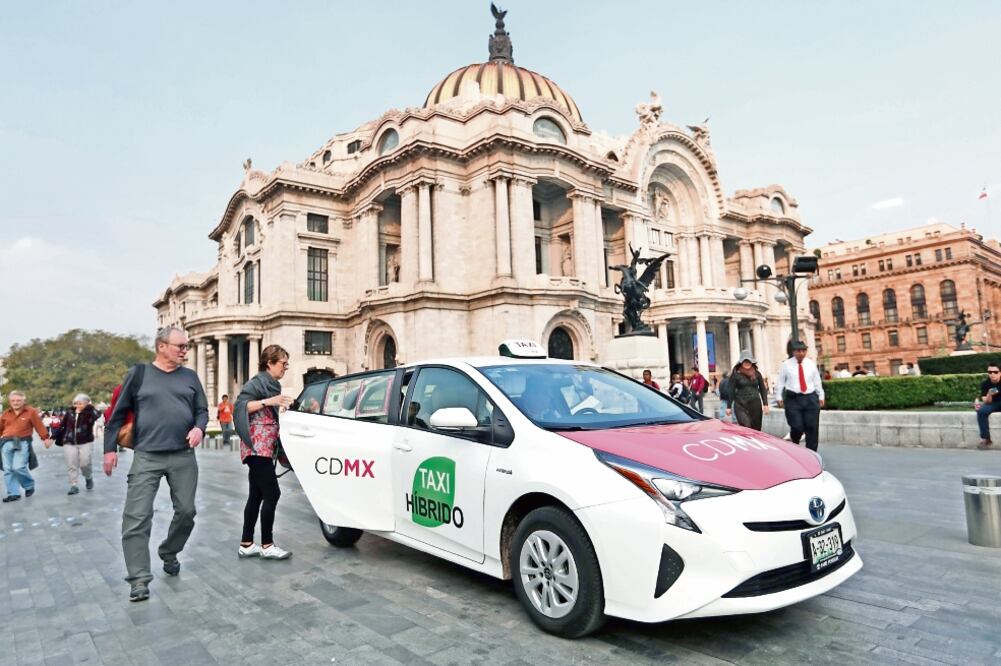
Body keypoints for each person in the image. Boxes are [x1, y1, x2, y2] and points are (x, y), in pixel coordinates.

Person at [103, 326, 208, 602]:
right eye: (180, 346)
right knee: (136, 517)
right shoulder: (139, 374)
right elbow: (117, 414)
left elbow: (201, 410)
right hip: (147, 455)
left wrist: (199, 428)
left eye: (186, 346)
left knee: (186, 511)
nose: (185, 350)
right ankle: (138, 579)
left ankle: (169, 551)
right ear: (162, 346)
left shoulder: (190, 377)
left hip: (183, 455)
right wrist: (109, 450)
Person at [234, 345, 295, 560]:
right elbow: (240, 406)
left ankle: (247, 543)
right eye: (282, 364)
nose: (285, 368)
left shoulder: (272, 384)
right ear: (269, 362)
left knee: (256, 495)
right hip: (256, 446)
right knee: (273, 493)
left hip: (266, 447)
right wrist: (269, 401)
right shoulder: (256, 383)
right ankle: (267, 545)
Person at [1, 391, 53, 502]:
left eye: (18, 400)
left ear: (23, 401)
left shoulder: (31, 412)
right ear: (10, 402)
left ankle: (29, 485)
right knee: (8, 469)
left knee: (18, 467)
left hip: (22, 442)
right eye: (13, 401)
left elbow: (39, 425)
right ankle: (13, 493)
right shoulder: (6, 413)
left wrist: (46, 438)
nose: (15, 403)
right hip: (6, 443)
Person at [776, 341, 826, 451]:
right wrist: (778, 396)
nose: (801, 353)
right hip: (793, 399)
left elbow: (816, 380)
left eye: (804, 351)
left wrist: (821, 395)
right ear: (793, 352)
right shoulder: (786, 365)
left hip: (810, 398)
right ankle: (795, 441)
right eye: (798, 351)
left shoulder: (810, 364)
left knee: (812, 427)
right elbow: (780, 381)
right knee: (797, 426)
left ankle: (812, 453)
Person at [54, 393, 100, 495]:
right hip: (69, 441)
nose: (78, 406)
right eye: (76, 403)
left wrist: (89, 407)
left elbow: (97, 416)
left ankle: (88, 477)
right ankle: (73, 485)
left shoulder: (89, 412)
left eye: (80, 403)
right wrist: (52, 437)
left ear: (86, 403)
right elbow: (62, 425)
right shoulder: (70, 412)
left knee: (85, 462)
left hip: (85, 441)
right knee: (71, 463)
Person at [725, 352, 769, 431]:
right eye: (745, 361)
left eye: (749, 361)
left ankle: (754, 443)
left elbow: (762, 389)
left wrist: (765, 404)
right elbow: (731, 390)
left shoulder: (757, 374)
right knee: (746, 427)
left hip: (755, 404)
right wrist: (728, 406)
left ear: (752, 362)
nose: (747, 363)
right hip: (740, 404)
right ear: (741, 362)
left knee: (756, 429)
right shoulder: (735, 374)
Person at [974, 361, 1001, 450]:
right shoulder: (985, 384)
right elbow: (986, 401)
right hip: (994, 404)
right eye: (990, 372)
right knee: (981, 411)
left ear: (1000, 373)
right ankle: (986, 439)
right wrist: (990, 393)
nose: (992, 374)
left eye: (995, 372)